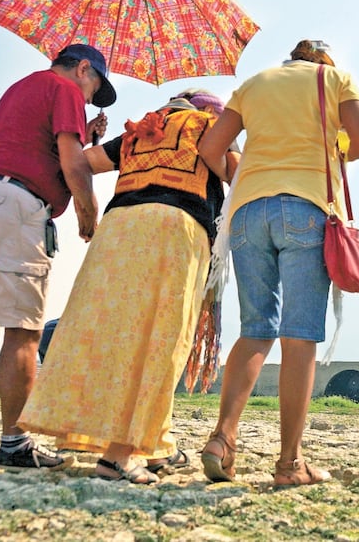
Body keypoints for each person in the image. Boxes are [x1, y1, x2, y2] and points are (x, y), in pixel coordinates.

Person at [18, 93, 227, 484]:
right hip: (174, 228)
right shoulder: (207, 127)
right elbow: (237, 171)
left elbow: (82, 162)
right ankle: (118, 455)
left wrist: (92, 139)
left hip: (118, 230)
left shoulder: (140, 130)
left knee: (110, 332)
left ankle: (152, 446)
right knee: (158, 340)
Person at [196, 39, 359, 486]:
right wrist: (332, 155)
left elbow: (211, 148)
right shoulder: (335, 79)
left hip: (247, 213)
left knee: (256, 329)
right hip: (305, 208)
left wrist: (251, 177)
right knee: (298, 337)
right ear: (323, 63)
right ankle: (289, 464)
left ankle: (223, 438)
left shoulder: (255, 84)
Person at [0, 44, 113, 471]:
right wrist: (88, 214)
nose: (87, 99)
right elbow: (72, 164)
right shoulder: (63, 90)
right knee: (24, 330)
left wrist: (90, 134)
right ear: (83, 69)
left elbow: (33, 143)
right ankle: (14, 443)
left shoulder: (21, 87)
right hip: (18, 205)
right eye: (92, 88)